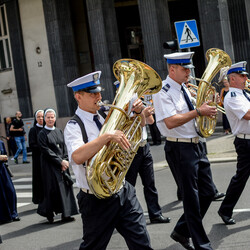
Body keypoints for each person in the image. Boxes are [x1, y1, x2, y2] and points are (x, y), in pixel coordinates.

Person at [64, 71, 153, 250]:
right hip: (95, 199)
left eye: (99, 92)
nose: (99, 97)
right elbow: (77, 156)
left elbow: (139, 127)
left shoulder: (108, 114)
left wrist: (138, 112)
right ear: (78, 96)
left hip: (122, 190)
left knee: (142, 242)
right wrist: (106, 137)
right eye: (92, 94)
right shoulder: (74, 125)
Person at [153, 52, 217, 250]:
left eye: (189, 68)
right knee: (191, 199)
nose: (188, 72)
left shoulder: (185, 89)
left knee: (208, 192)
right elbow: (171, 122)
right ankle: (202, 245)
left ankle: (181, 230)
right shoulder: (162, 91)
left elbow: (197, 112)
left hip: (195, 144)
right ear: (172, 69)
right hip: (179, 147)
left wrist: (209, 102)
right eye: (184, 69)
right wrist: (199, 111)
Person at [125, 104, 171, 224]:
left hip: (144, 146)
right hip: (131, 149)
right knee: (129, 185)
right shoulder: (123, 106)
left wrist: (145, 113)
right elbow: (138, 123)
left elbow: (150, 121)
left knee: (150, 183)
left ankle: (155, 214)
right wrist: (141, 114)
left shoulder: (139, 104)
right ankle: (127, 216)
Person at [218, 61, 249, 225]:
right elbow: (247, 115)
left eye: (245, 76)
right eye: (242, 76)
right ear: (233, 79)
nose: (246, 78)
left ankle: (225, 209)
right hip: (245, 143)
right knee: (240, 178)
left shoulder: (244, 94)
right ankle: (225, 210)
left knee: (241, 178)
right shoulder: (232, 96)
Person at [37, 108, 78, 224]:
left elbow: (65, 147)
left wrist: (65, 160)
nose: (50, 119)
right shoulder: (42, 134)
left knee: (65, 188)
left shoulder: (59, 131)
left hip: (62, 165)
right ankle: (49, 214)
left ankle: (67, 214)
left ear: (55, 118)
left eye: (52, 117)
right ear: (45, 119)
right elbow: (45, 150)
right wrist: (60, 161)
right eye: (48, 117)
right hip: (49, 166)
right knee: (52, 189)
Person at [0, 139, 20, 224]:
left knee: (10, 191)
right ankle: (4, 216)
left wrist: (4, 158)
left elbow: (5, 154)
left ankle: (13, 213)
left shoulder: (0, 142)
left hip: (2, 169)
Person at [29, 110, 44, 204]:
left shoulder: (48, 128)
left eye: (42, 116)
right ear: (35, 118)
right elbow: (32, 145)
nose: (41, 119)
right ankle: (40, 199)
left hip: (48, 159)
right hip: (38, 159)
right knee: (39, 179)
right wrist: (43, 147)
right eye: (38, 117)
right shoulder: (33, 130)